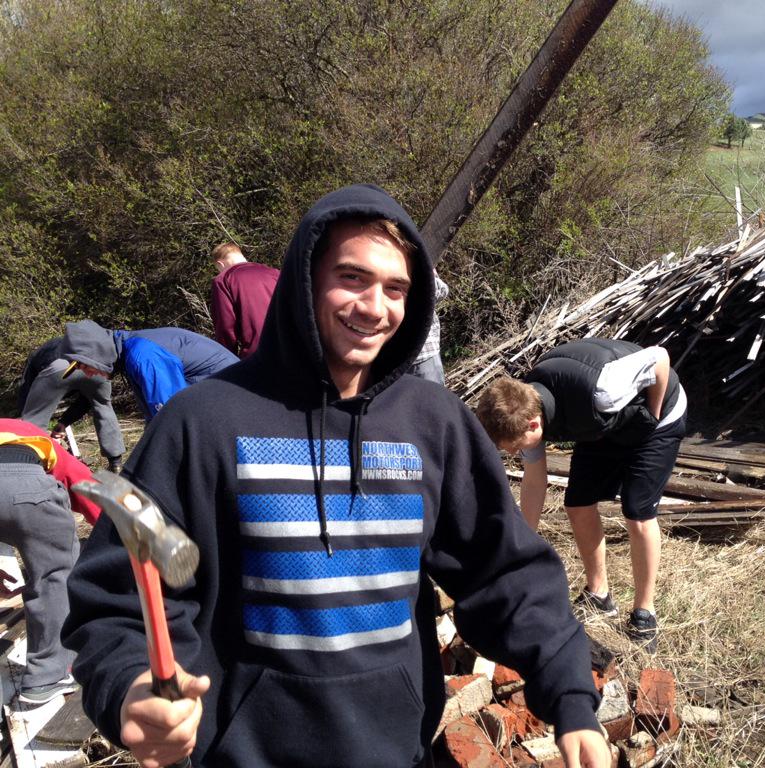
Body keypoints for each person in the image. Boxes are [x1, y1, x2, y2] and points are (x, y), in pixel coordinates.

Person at [63, 185, 609, 768]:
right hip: (242, 755)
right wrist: (129, 688)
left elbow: (503, 570)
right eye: (352, 278)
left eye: (395, 288)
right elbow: (118, 595)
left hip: (396, 751)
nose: (375, 306)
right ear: (304, 281)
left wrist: (572, 698)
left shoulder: (432, 422)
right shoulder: (202, 422)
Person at [475, 339, 688, 653]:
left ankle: (645, 611)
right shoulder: (528, 410)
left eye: (517, 446)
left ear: (534, 424)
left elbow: (659, 358)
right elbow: (535, 483)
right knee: (577, 503)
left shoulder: (603, 389)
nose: (517, 452)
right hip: (604, 424)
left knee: (637, 512)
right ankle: (599, 594)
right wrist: (522, 545)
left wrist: (652, 415)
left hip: (657, 417)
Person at [0, 418, 100, 705]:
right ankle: (48, 674)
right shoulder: (27, 431)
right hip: (25, 482)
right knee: (54, 572)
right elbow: (80, 481)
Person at [57, 321, 239, 422]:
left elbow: (172, 415)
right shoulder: (130, 351)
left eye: (83, 366)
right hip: (216, 403)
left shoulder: (143, 356)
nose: (88, 374)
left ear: (94, 353)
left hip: (232, 401)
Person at [18, 337, 125, 473]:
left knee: (34, 418)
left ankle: (30, 465)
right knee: (102, 406)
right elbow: (87, 400)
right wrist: (64, 422)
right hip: (96, 364)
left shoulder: (36, 357)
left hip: (60, 365)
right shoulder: (77, 344)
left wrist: (25, 416)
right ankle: (116, 464)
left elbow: (28, 396)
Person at [209, 242, 280, 359]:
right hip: (291, 348)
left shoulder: (223, 280)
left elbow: (226, 327)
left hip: (258, 354)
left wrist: (226, 359)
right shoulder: (275, 273)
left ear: (220, 264)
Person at [407, 269, 448, 385]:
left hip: (390, 360)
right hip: (423, 353)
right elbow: (440, 290)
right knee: (433, 399)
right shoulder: (416, 263)